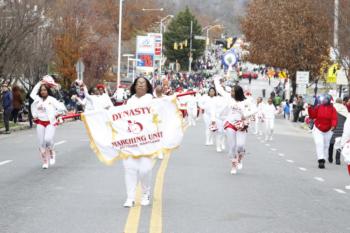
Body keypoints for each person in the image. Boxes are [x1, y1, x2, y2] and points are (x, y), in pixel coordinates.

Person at [214, 76, 256, 175]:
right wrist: (217, 80)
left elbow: (254, 110)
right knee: (232, 146)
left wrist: (245, 116)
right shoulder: (229, 98)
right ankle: (233, 165)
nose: (231, 93)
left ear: (238, 92)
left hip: (241, 124)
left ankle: (240, 158)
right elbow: (219, 89)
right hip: (230, 124)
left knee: (240, 146)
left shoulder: (247, 101)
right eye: (231, 91)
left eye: (233, 91)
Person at [122, 77, 154, 208]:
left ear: (147, 87)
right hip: (131, 140)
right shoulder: (129, 101)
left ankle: (145, 193)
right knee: (129, 168)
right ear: (134, 86)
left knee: (144, 170)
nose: (141, 85)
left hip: (147, 139)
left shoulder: (152, 100)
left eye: (143, 83)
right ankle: (130, 197)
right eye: (138, 83)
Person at [30, 76, 67, 169]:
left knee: (47, 139)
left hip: (50, 123)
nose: (43, 92)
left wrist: (56, 114)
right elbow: (32, 93)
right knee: (42, 144)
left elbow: (62, 109)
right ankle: (45, 162)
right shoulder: (37, 99)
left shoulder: (51, 99)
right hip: (40, 122)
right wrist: (40, 82)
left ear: (48, 91)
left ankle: (51, 152)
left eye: (45, 90)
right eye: (42, 90)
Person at [308, 94, 338, 169]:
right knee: (319, 143)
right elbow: (312, 115)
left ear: (329, 100)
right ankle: (321, 160)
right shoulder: (318, 106)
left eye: (325, 99)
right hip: (318, 128)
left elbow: (334, 118)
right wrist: (310, 108)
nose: (324, 100)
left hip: (328, 130)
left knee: (326, 145)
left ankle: (323, 158)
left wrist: (333, 125)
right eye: (323, 99)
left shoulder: (332, 109)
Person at [328, 98, 348, 165]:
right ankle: (337, 159)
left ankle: (330, 158)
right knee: (338, 144)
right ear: (341, 102)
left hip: (333, 128)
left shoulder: (332, 108)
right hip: (341, 129)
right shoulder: (344, 109)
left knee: (331, 143)